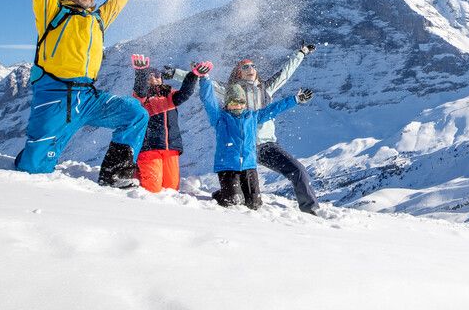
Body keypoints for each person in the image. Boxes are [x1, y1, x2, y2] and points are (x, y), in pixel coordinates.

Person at [12, 0, 148, 187]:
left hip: (88, 96)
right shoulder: (52, 11)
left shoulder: (98, 20)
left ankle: (115, 174)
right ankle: (32, 153)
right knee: (32, 170)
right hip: (55, 93)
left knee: (135, 114)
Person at [223, 47, 325, 213]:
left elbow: (285, 73)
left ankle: (311, 209)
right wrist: (182, 73)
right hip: (243, 147)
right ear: (238, 73)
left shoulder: (265, 89)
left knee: (298, 170)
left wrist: (301, 53)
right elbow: (204, 82)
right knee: (240, 197)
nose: (251, 69)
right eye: (245, 67)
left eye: (253, 66)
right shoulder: (230, 91)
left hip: (266, 146)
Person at [199, 73, 314, 210]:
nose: (238, 106)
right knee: (234, 202)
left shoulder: (252, 117)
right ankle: (222, 194)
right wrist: (204, 79)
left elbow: (274, 109)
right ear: (227, 103)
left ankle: (229, 191)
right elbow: (208, 100)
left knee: (254, 204)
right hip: (228, 166)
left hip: (248, 165)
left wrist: (295, 99)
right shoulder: (220, 118)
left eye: (241, 102)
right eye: (234, 103)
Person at [130, 54, 212, 193]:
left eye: (157, 75)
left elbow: (185, 93)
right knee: (151, 188)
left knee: (171, 189)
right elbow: (140, 90)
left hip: (170, 148)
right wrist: (141, 72)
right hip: (149, 147)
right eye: (150, 76)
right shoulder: (142, 97)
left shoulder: (170, 95)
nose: (154, 78)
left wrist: (193, 75)